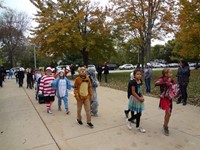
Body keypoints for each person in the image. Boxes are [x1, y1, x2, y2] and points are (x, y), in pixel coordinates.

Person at [155, 68, 176, 136]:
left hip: (169, 98)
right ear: (165, 74)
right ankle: (166, 127)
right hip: (164, 98)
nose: (171, 74)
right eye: (170, 73)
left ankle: (165, 125)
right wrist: (164, 83)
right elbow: (156, 83)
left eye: (171, 73)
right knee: (168, 113)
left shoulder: (171, 80)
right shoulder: (162, 79)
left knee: (168, 114)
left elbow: (175, 86)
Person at [126, 68, 146, 133]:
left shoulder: (140, 81)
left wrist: (142, 97)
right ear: (134, 75)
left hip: (139, 98)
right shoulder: (133, 82)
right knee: (138, 113)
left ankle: (138, 126)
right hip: (135, 98)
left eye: (140, 74)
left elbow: (140, 90)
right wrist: (139, 98)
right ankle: (129, 120)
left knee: (139, 113)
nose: (139, 75)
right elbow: (133, 92)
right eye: (137, 74)